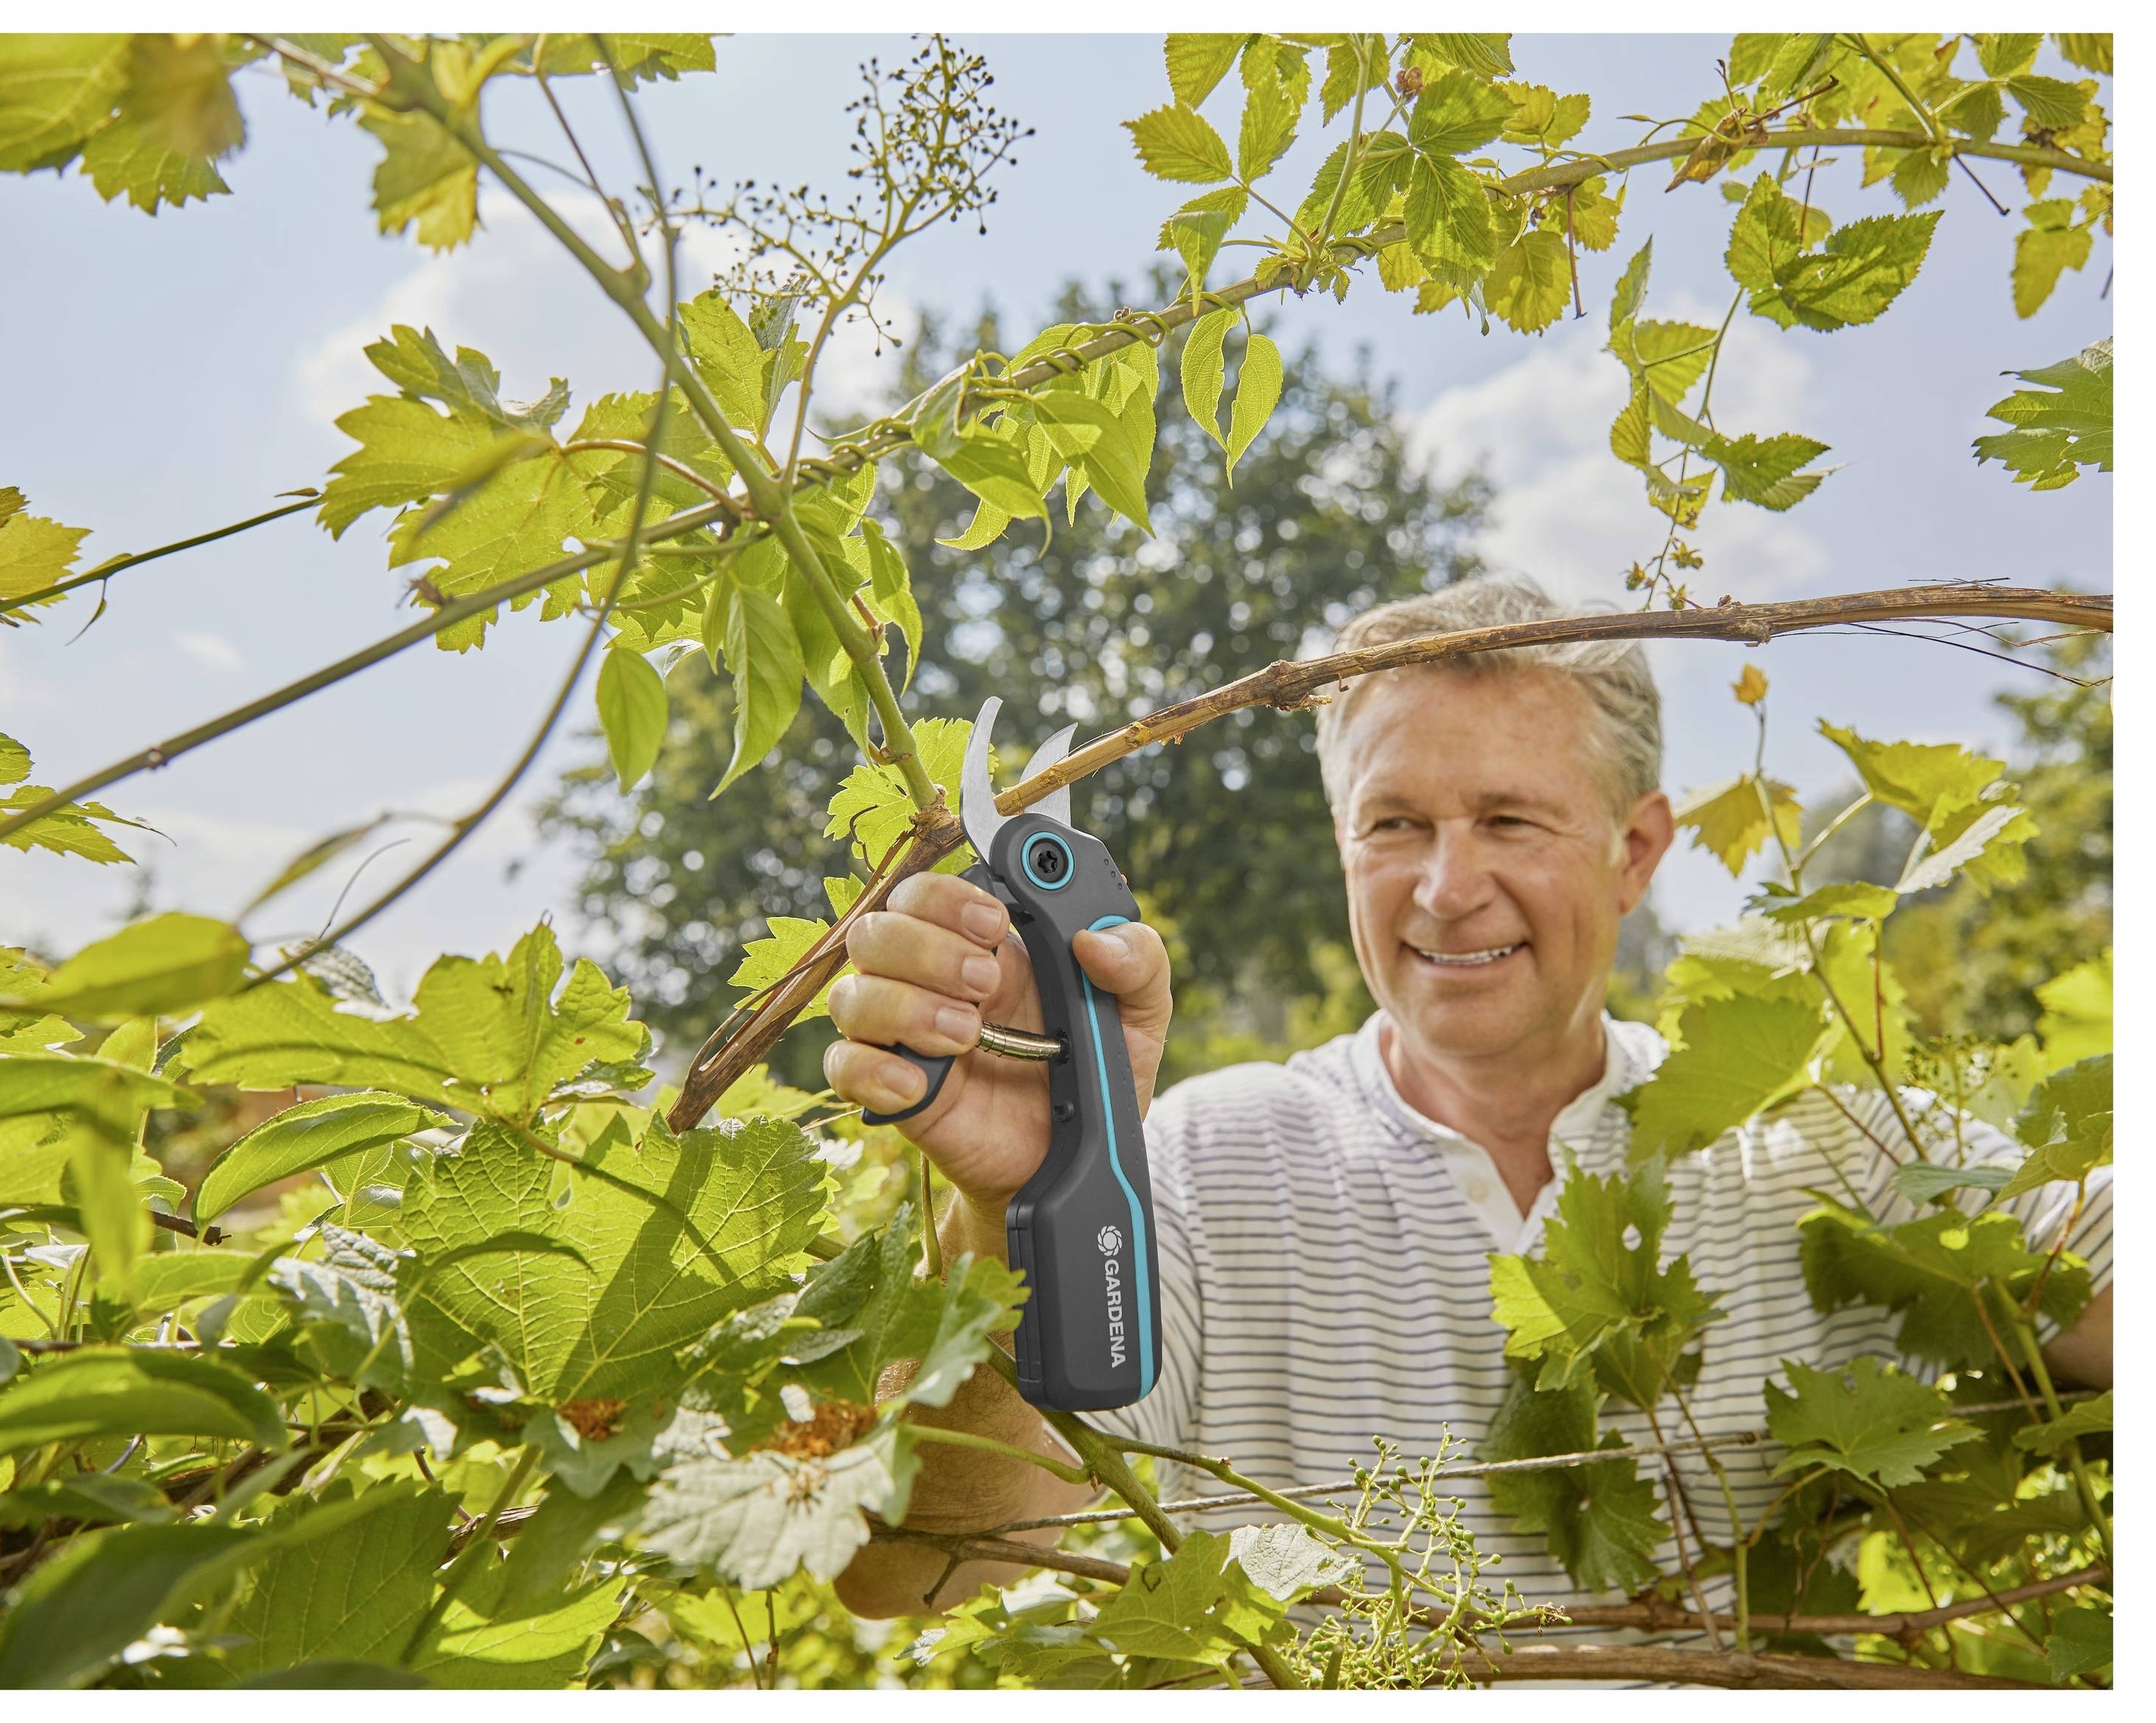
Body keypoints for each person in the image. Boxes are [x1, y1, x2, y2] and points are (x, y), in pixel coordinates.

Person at [821, 575, 2114, 1625]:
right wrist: (1016, 1218)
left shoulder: (1831, 1139)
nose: (1446, 887)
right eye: (1393, 824)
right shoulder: (1197, 1163)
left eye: (1509, 819)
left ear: (1638, 850)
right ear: (1341, 844)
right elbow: (911, 1568)